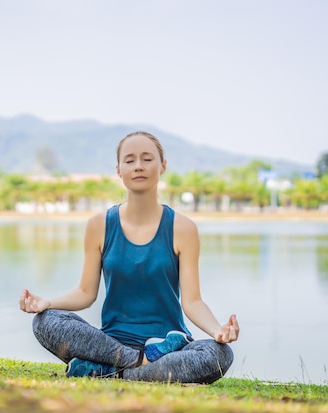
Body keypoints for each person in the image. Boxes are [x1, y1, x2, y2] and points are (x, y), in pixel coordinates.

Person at [19, 131, 239, 384]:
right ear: (119, 169)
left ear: (163, 166)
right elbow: (85, 292)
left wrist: (217, 331)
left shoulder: (183, 228)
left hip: (172, 346)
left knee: (218, 355)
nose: (138, 166)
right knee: (46, 321)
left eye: (147, 159)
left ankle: (109, 371)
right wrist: (47, 303)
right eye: (130, 160)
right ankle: (139, 363)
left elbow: (193, 301)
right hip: (111, 343)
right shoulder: (99, 225)